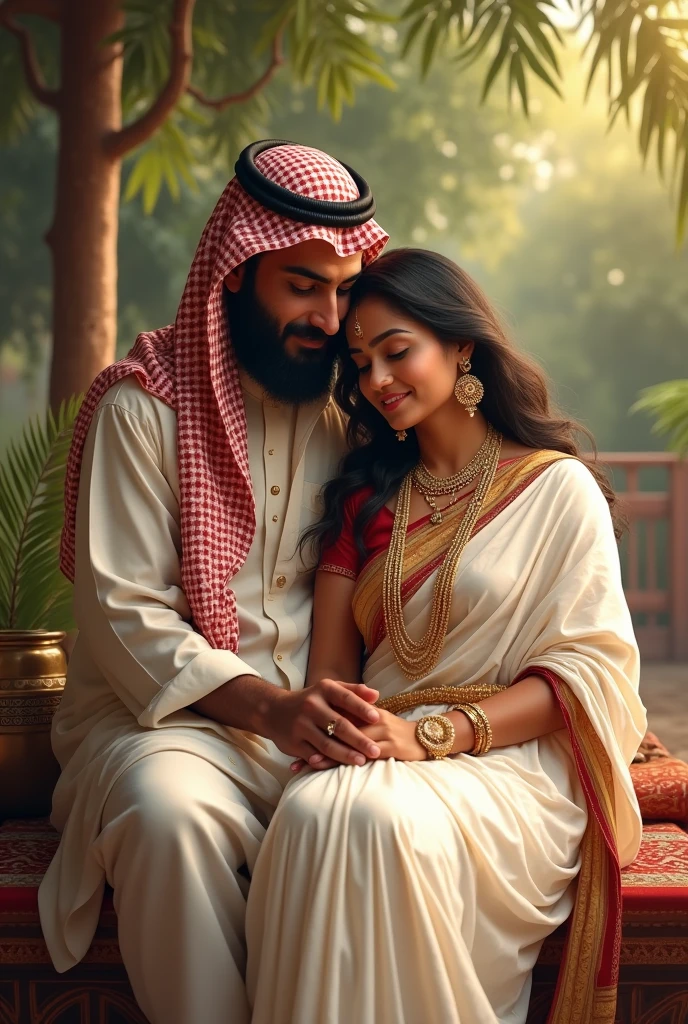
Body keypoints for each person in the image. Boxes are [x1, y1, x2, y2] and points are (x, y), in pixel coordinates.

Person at [244, 249, 648, 1024]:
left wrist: (430, 733)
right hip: (379, 749)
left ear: (462, 345)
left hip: (512, 760)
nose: (377, 381)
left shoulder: (554, 488)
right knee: (310, 814)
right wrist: (348, 730)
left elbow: (589, 670)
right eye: (359, 364)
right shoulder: (362, 501)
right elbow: (332, 676)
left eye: (397, 352)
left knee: (376, 821)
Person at [38, 140, 390, 1024]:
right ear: (236, 272)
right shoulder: (143, 406)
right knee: (169, 818)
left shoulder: (361, 411)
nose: (328, 315)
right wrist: (271, 710)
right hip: (165, 725)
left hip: (320, 726)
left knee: (393, 831)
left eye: (345, 290)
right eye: (302, 286)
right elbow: (123, 617)